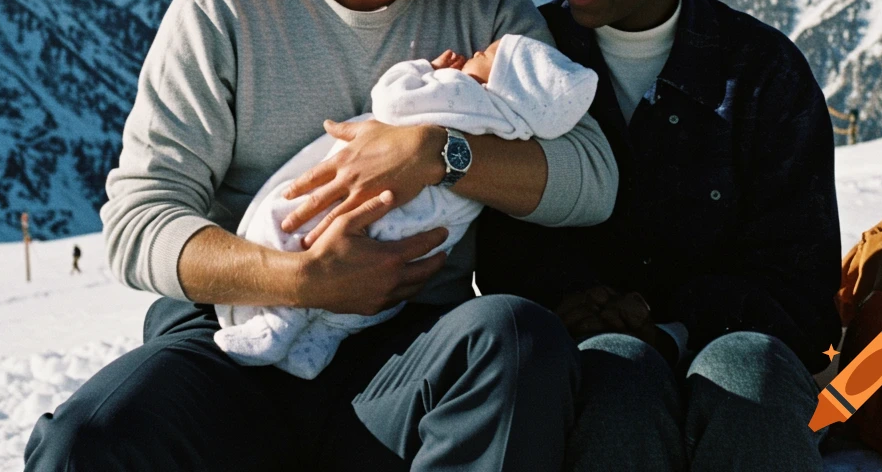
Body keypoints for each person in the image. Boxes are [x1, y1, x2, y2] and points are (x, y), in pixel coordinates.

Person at [24, 0, 618, 472]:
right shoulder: (226, 15)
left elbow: (592, 180)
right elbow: (138, 223)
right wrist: (302, 280)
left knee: (518, 336)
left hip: (407, 355)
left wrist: (439, 151)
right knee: (84, 443)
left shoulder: (485, 9)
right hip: (232, 340)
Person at [476, 0, 842, 472]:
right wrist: (575, 307)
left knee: (749, 371)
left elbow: (800, 279)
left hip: (735, 343)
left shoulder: (760, 75)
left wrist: (667, 326)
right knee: (616, 377)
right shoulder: (528, 56)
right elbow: (500, 242)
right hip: (579, 350)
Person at [214, 34, 598, 377]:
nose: (478, 49)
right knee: (369, 292)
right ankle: (316, 345)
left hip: (383, 204)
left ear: (500, 82)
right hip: (423, 233)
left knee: (290, 225)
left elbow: (392, 101)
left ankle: (272, 326)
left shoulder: (461, 93)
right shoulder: (514, 132)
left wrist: (423, 70)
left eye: (489, 54)